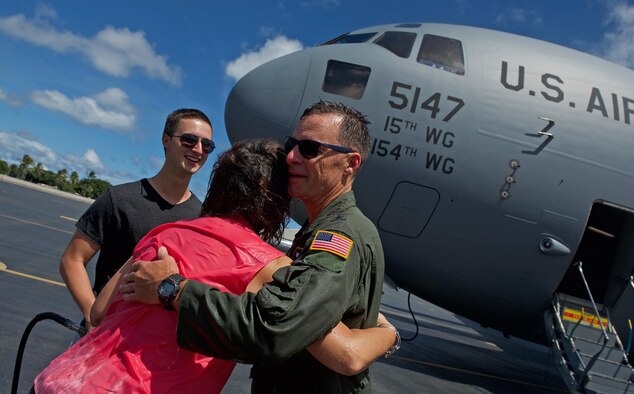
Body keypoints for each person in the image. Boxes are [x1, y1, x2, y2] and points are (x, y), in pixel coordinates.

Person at [34, 139, 396, 393]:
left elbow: (98, 312)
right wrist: (386, 331)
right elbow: (342, 351)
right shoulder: (269, 265)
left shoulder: (164, 233)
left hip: (62, 379)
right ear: (272, 200)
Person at [123, 100, 390, 393]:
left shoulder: (340, 235)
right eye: (292, 144)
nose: (290, 157)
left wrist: (174, 289)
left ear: (350, 164)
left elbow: (274, 325)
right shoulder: (318, 230)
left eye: (310, 149)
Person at [59, 108, 214, 331]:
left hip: (154, 345)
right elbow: (72, 260)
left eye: (207, 145)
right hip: (104, 335)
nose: (198, 149)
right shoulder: (119, 199)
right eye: (189, 140)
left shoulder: (202, 218)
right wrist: (93, 319)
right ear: (166, 141)